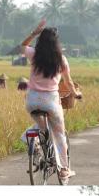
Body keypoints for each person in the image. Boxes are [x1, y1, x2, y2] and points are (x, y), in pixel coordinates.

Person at [20, 19, 81, 183]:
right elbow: (68, 82)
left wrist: (33, 33)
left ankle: (35, 143)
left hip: (32, 101)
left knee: (43, 127)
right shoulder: (61, 60)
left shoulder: (34, 55)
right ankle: (63, 170)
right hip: (51, 102)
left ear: (41, 40)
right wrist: (75, 93)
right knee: (60, 134)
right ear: (57, 43)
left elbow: (22, 46)